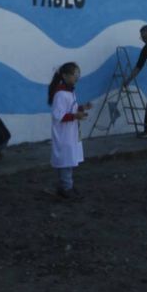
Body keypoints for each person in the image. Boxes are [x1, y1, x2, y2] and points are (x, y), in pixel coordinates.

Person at [48, 62, 92, 199]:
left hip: (70, 133)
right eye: (74, 74)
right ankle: (66, 187)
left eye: (78, 74)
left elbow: (71, 108)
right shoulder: (60, 94)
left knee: (69, 160)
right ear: (65, 76)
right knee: (66, 160)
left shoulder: (69, 92)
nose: (77, 77)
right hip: (64, 134)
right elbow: (58, 115)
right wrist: (75, 116)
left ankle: (67, 186)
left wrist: (82, 108)